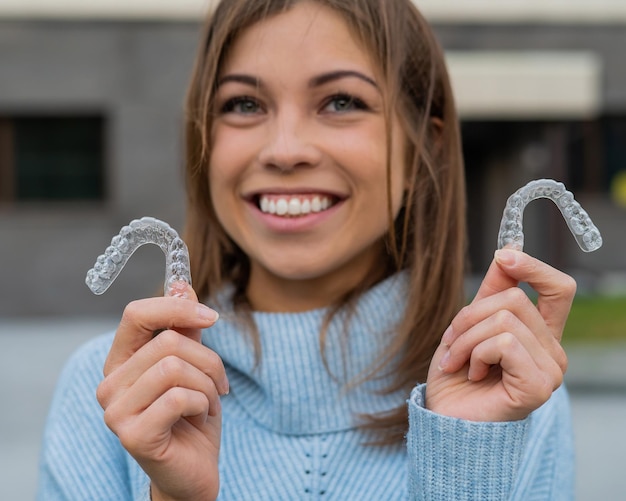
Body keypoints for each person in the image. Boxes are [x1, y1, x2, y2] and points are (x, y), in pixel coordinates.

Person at [37, 0, 577, 499]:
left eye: (341, 102)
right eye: (244, 104)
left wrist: (467, 462)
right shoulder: (106, 390)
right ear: (205, 137)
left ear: (423, 149)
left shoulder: (513, 389)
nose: (285, 149)